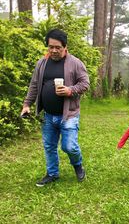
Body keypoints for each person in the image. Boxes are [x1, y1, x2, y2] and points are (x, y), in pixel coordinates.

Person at [21, 29, 90, 186]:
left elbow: (85, 83)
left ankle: (78, 166)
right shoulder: (42, 63)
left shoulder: (75, 63)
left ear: (65, 47)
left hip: (69, 115)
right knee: (49, 146)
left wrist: (70, 90)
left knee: (69, 146)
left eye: (57, 47)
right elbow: (34, 86)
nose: (53, 50)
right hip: (48, 115)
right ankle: (52, 173)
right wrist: (26, 104)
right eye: (50, 47)